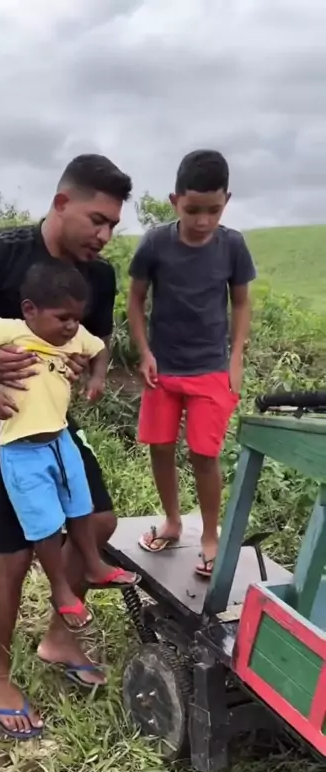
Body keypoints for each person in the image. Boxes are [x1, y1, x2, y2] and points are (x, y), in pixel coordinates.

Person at [0, 154, 135, 738]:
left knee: (100, 521)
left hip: (56, 425)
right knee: (12, 556)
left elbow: (97, 340)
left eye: (113, 225)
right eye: (97, 220)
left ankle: (59, 640)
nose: (104, 235)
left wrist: (86, 370)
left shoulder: (99, 277)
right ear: (62, 203)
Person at [0, 260, 128, 640]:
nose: (71, 326)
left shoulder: (75, 336)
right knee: (45, 525)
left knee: (81, 508)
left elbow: (99, 349)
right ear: (30, 309)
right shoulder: (7, 330)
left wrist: (96, 378)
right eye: (63, 317)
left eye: (76, 318)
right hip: (21, 452)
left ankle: (94, 564)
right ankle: (60, 589)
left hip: (61, 440)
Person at [128, 150, 256, 578]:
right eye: (193, 210)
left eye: (213, 210)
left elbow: (241, 303)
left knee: (205, 454)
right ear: (174, 201)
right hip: (162, 370)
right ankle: (172, 522)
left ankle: (210, 537)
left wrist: (235, 358)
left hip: (211, 369)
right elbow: (136, 299)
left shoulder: (232, 245)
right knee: (161, 447)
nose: (203, 221)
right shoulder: (155, 243)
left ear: (227, 201)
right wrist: (144, 352)